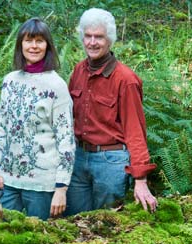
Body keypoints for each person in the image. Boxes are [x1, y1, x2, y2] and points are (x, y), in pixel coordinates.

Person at [0, 18, 75, 224]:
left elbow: (66, 138)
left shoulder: (56, 85)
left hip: (42, 184)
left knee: (36, 243)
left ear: (47, 46)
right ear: (20, 45)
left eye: (40, 41)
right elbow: (1, 127)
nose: (33, 46)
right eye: (28, 40)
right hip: (8, 179)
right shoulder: (10, 80)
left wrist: (61, 188)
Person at [65, 8, 158, 216]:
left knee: (107, 226)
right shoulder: (78, 71)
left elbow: (135, 131)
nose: (92, 42)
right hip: (78, 158)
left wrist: (140, 179)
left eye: (98, 37)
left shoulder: (125, 80)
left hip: (111, 162)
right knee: (73, 224)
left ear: (110, 40)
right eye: (88, 36)